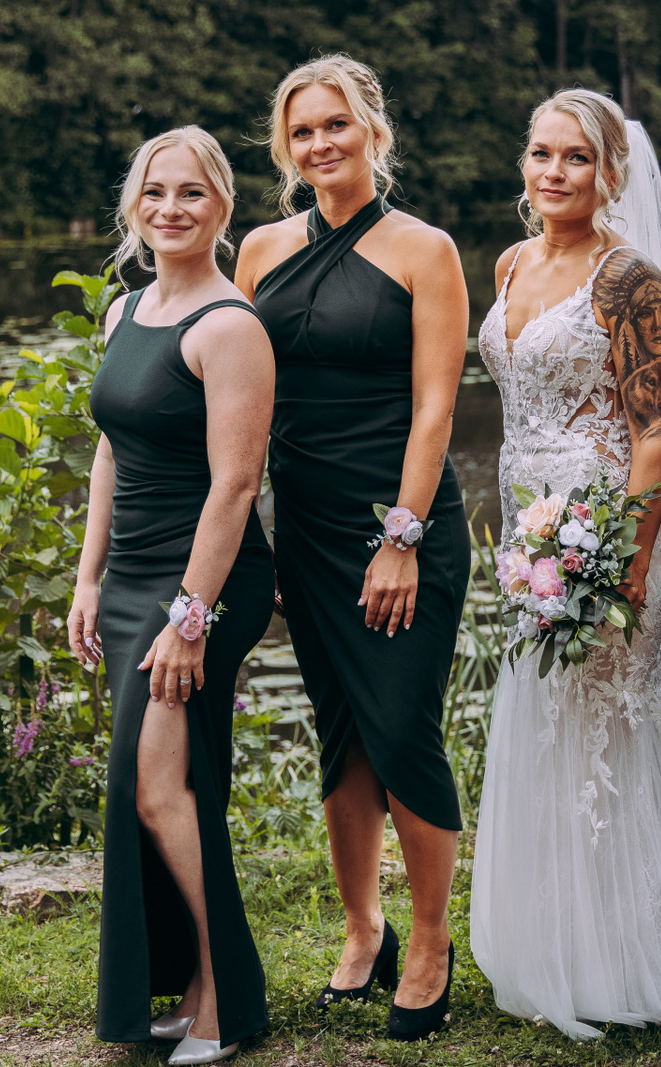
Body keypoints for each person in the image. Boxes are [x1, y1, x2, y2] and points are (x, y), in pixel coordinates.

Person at [469, 89, 661, 1056]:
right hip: (532, 532)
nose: (554, 172)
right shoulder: (511, 263)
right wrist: (533, 541)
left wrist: (628, 569)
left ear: (610, 174)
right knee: (548, 721)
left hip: (606, 532)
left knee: (611, 728)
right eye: (541, 153)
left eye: (576, 158)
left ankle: (651, 953)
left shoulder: (630, 280)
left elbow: (656, 435)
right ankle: (569, 945)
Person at [235, 55, 470, 1042]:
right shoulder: (258, 251)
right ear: (285, 148)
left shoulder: (425, 250)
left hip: (401, 526)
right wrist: (247, 541)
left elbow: (435, 408)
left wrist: (402, 537)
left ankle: (431, 939)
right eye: (303, 131)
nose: (320, 143)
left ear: (373, 129)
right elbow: (241, 407)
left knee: (402, 724)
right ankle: (364, 928)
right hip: (307, 529)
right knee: (342, 732)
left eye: (336, 124)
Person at [68, 127, 276, 1065]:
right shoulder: (127, 310)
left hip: (207, 581)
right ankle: (193, 984)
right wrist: (88, 576)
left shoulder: (230, 328)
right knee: (164, 784)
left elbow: (235, 487)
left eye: (192, 193)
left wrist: (190, 619)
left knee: (159, 788)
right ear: (134, 205)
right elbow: (112, 450)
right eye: (155, 192)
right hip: (132, 577)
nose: (171, 209)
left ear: (222, 206)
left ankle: (225, 999)